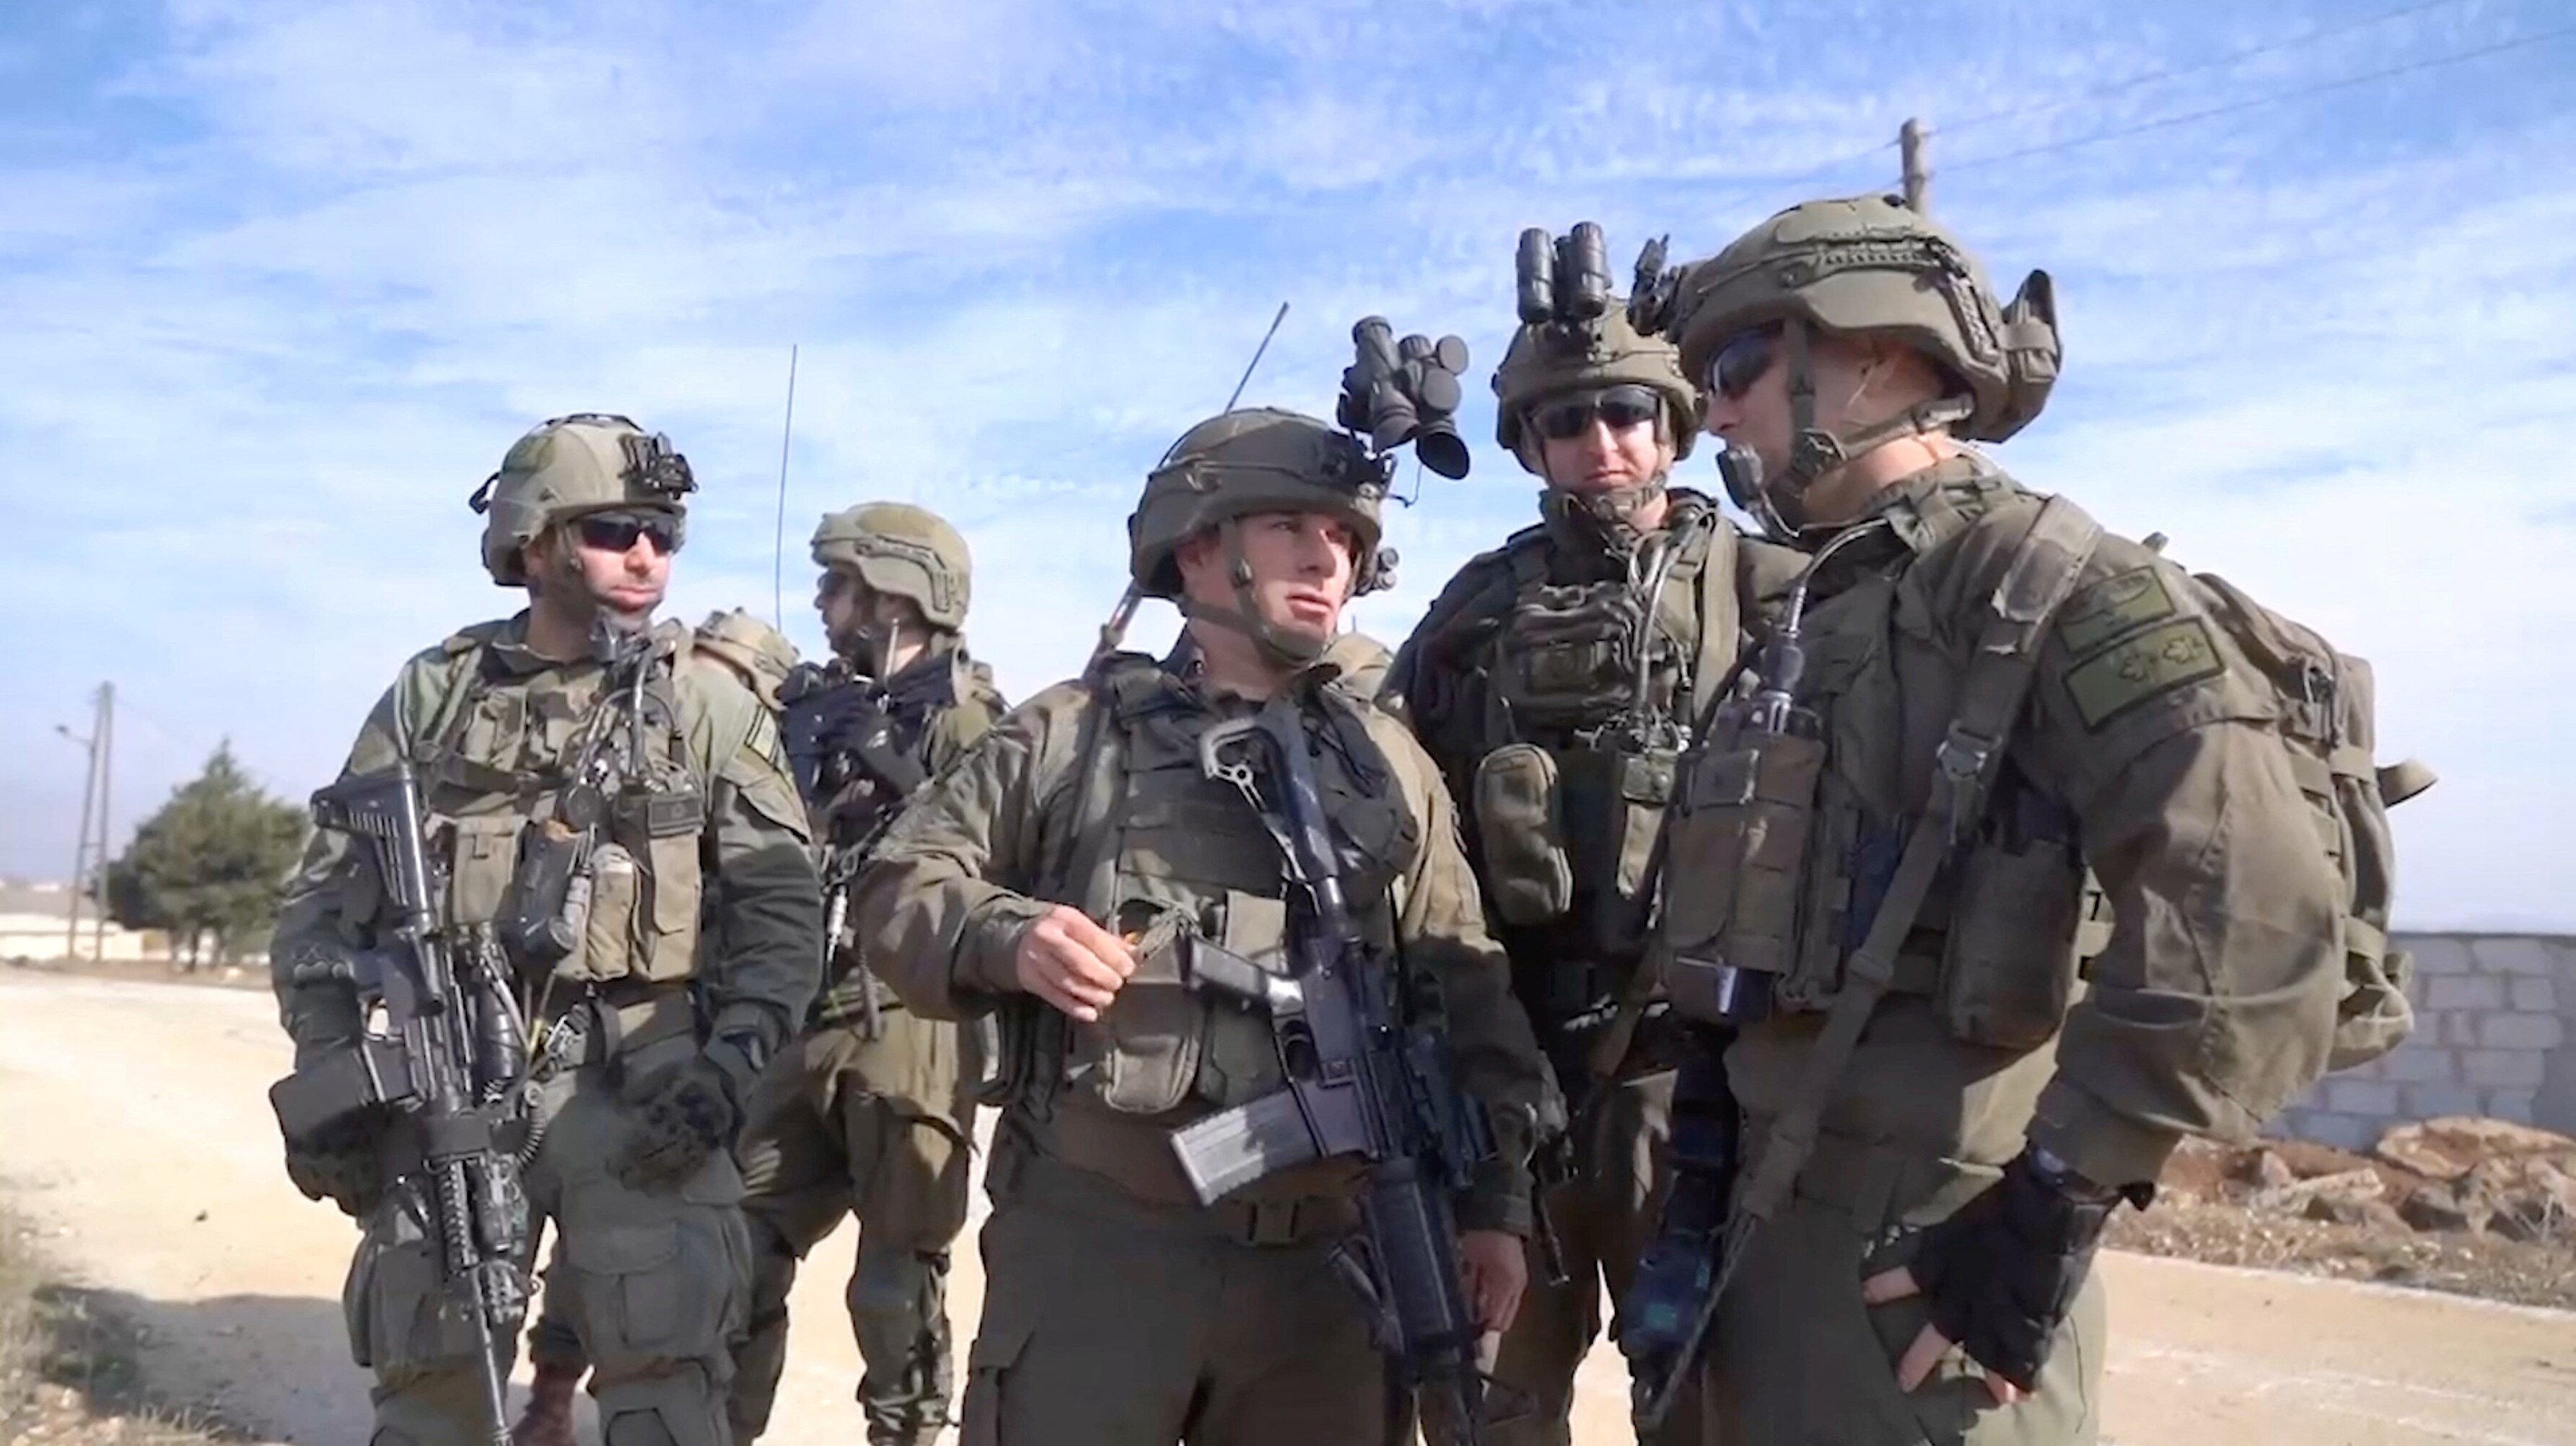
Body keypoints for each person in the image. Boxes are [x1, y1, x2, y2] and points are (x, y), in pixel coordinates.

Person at [1619, 192, 2399, 1445]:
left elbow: (2250, 905)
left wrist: (2051, 1205)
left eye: (1735, 366)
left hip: (1917, 1257)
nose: (1711, 411)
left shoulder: (2053, 588)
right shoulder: (1821, 612)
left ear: (1869, 357)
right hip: (1755, 1240)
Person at [847, 404, 1559, 1445]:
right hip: (1100, 1250)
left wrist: (1495, 1205)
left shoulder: (1390, 764)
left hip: (1329, 1276)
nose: (1328, 558)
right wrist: (1009, 935)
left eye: (1348, 541)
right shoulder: (1073, 732)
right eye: (1291, 529)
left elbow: (1469, 993)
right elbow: (896, 889)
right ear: (1199, 544)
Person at [268, 412, 824, 1446]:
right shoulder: (438, 696)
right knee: (430, 1385)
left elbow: (782, 912)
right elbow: (321, 896)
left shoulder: (704, 705)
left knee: (667, 1389)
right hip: (448, 1087)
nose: (648, 555)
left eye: (665, 533)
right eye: (616, 529)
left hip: (651, 1096)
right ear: (537, 541)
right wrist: (331, 1064)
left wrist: (732, 1068)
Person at [1382, 221, 1802, 1445]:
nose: (1600, 444)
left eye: (1626, 413)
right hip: (1512, 1076)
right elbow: (1384, 791)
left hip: (1699, 1079)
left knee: (1706, 1404)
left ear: (1673, 426)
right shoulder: (1474, 611)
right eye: (1566, 422)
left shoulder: (1771, 587)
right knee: (1490, 1402)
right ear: (1528, 443)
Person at [731, 502, 1009, 1445]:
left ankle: (906, 1431)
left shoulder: (978, 720)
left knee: (896, 1276)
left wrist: (896, 772)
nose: (821, 601)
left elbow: (1003, 856)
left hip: (911, 1014)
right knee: (736, 1245)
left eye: (837, 583)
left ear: (897, 593)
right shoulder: (811, 705)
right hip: (799, 1006)